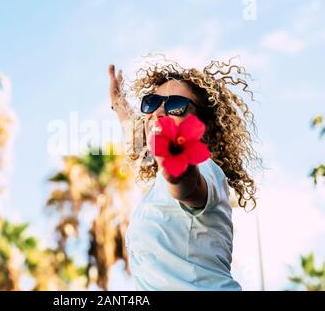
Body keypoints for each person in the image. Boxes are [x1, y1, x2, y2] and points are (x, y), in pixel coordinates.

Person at [108, 60, 259, 290]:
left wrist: (177, 174)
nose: (158, 112)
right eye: (152, 103)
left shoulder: (206, 168)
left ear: (203, 126)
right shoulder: (158, 186)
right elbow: (143, 134)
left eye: (176, 106)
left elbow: (189, 187)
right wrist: (119, 105)